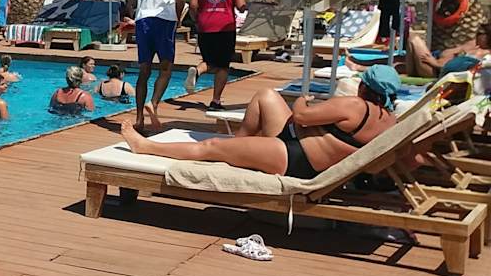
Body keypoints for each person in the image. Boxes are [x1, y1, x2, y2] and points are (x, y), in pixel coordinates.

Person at [120, 65, 401, 179]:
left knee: (211, 145)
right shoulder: (390, 120)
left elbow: (301, 115)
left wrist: (304, 99)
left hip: (296, 159)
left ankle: (145, 146)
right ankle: (239, 147)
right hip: (303, 149)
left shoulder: (355, 105)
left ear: (364, 87)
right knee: (266, 95)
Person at [125, 0, 188, 128]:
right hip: (164, 18)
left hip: (143, 19)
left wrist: (132, 18)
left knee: (144, 70)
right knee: (166, 67)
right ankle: (153, 103)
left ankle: (139, 119)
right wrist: (178, 19)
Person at [185, 0, 247, 109]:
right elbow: (241, 6)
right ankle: (216, 100)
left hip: (205, 26)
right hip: (225, 27)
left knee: (209, 60)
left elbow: (193, 5)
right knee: (223, 65)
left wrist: (196, 20)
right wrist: (247, 6)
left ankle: (197, 70)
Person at [405, 24, 490, 77]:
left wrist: (435, 63)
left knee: (414, 39)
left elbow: (460, 70)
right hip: (433, 60)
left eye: (480, 33)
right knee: (411, 38)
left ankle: (411, 73)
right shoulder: (473, 44)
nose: (477, 35)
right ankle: (411, 73)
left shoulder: (485, 55)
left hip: (435, 71)